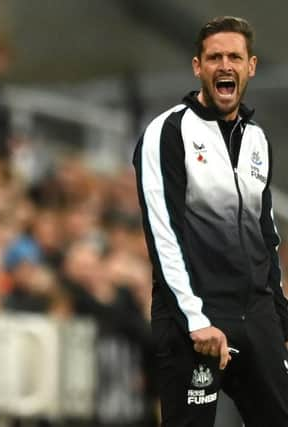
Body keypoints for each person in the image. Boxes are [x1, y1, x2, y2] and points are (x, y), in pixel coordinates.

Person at [133, 16, 288, 426]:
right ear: (197, 66)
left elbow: (266, 235)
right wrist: (194, 317)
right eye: (214, 56)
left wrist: (279, 317)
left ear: (251, 66)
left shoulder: (257, 139)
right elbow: (161, 231)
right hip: (195, 315)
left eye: (234, 57)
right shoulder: (166, 132)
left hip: (256, 315)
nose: (225, 65)